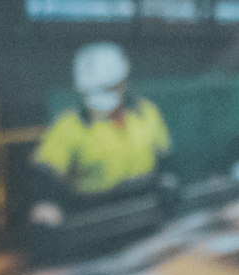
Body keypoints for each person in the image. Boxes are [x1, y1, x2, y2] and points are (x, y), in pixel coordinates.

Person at [24, 42, 171, 234]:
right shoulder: (69, 126)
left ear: (122, 83)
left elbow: (166, 159)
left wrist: (169, 184)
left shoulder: (146, 114)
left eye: (109, 88)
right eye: (91, 91)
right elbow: (46, 172)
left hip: (144, 210)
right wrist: (45, 205)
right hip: (94, 217)